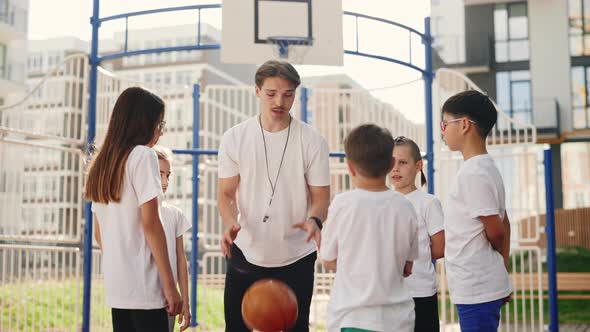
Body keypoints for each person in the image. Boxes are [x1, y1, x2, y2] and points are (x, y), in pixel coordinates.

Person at [217, 60, 331, 331]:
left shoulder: (312, 141)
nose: (280, 101)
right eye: (271, 93)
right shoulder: (235, 138)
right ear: (257, 91)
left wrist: (315, 220)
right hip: (246, 250)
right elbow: (225, 193)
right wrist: (230, 222)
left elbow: (321, 196)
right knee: (236, 327)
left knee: (295, 327)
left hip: (296, 255)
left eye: (288, 94)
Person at [87, 86, 182, 332]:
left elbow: (100, 235)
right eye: (159, 123)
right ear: (143, 123)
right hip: (145, 286)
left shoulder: (102, 165)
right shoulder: (143, 156)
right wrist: (170, 287)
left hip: (118, 286)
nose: (160, 131)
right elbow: (151, 224)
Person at [320, 124, 419, 332]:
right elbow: (407, 267)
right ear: (391, 163)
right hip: (398, 322)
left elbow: (329, 260)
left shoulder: (343, 204)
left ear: (350, 167)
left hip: (353, 319)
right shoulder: (405, 206)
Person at [441, 90, 512, 332]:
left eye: (444, 123)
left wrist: (499, 267)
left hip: (477, 286)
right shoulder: (485, 168)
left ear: (463, 125)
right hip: (479, 284)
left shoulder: (474, 173)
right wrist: (502, 267)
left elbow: (498, 231)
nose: (442, 130)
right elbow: (505, 221)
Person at [390, 136, 445, 332]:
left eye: (403, 162)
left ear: (418, 165)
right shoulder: (383, 202)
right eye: (391, 162)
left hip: (421, 293)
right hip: (391, 295)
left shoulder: (428, 203)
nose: (395, 168)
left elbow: (439, 249)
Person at [152, 145, 192, 332]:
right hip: (143, 299)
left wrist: (185, 300)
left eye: (168, 175)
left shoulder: (175, 215)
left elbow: (181, 260)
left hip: (169, 302)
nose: (165, 181)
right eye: (160, 174)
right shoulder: (136, 213)